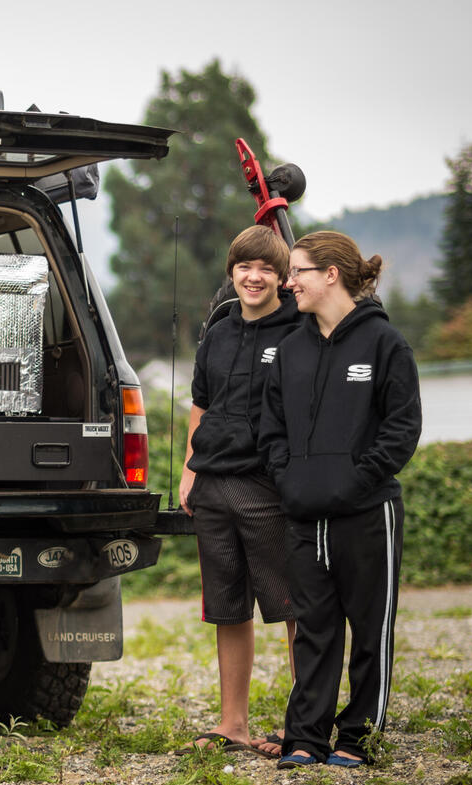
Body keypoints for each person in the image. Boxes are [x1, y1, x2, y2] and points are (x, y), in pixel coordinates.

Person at [259, 231, 422, 769]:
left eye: (298, 272)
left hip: (366, 512)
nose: (289, 283)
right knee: (313, 631)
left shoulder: (385, 344)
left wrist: (356, 481)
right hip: (304, 514)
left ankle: (358, 738)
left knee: (370, 630)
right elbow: (272, 431)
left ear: (331, 274)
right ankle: (306, 737)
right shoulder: (290, 349)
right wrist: (289, 481)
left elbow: (401, 430)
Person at [177, 225, 300, 757]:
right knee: (228, 609)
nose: (254, 277)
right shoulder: (219, 331)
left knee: (295, 607)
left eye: (266, 269)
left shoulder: (298, 330)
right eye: (245, 267)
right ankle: (233, 725)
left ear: (281, 278)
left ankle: (305, 723)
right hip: (213, 484)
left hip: (268, 487)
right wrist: (188, 470)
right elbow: (200, 403)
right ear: (232, 272)